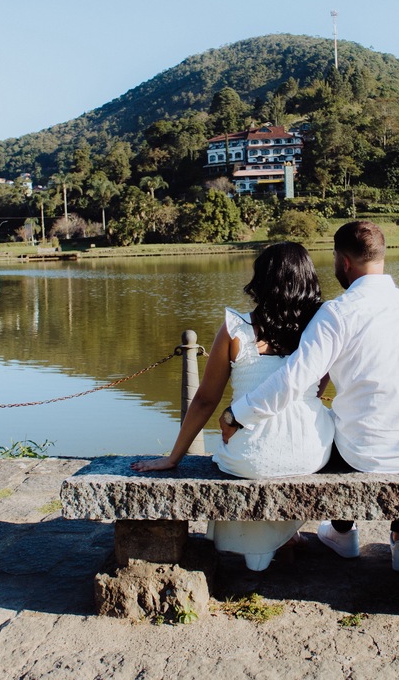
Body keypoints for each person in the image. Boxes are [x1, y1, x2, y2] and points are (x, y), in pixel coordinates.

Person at [222, 221, 399, 572]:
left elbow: (294, 380)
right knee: (392, 416)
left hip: (364, 453)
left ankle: (343, 531)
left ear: (343, 261)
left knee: (332, 430)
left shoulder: (337, 314)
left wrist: (239, 414)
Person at [131, 241, 334, 571]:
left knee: (255, 460)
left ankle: (271, 543)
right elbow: (319, 385)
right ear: (308, 280)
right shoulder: (321, 329)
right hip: (312, 452)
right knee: (294, 451)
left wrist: (173, 458)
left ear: (261, 281)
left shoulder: (236, 328)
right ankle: (284, 538)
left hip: (248, 457)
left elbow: (206, 399)